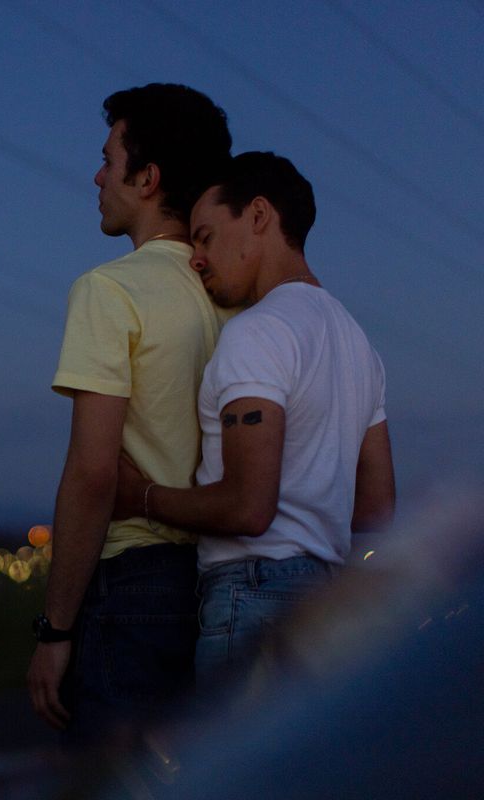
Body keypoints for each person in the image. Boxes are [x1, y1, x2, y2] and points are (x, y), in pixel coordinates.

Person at [114, 151, 396, 698]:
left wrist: (140, 497)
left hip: (252, 597)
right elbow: (377, 509)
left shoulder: (257, 332)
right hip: (325, 605)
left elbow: (248, 507)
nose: (196, 258)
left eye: (205, 236)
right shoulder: (359, 345)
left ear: (259, 216)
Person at [27, 83, 233, 745]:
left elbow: (92, 474)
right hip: (219, 581)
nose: (96, 175)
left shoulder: (109, 290)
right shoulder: (235, 297)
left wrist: (56, 629)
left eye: (109, 159)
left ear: (147, 178)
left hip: (132, 587)